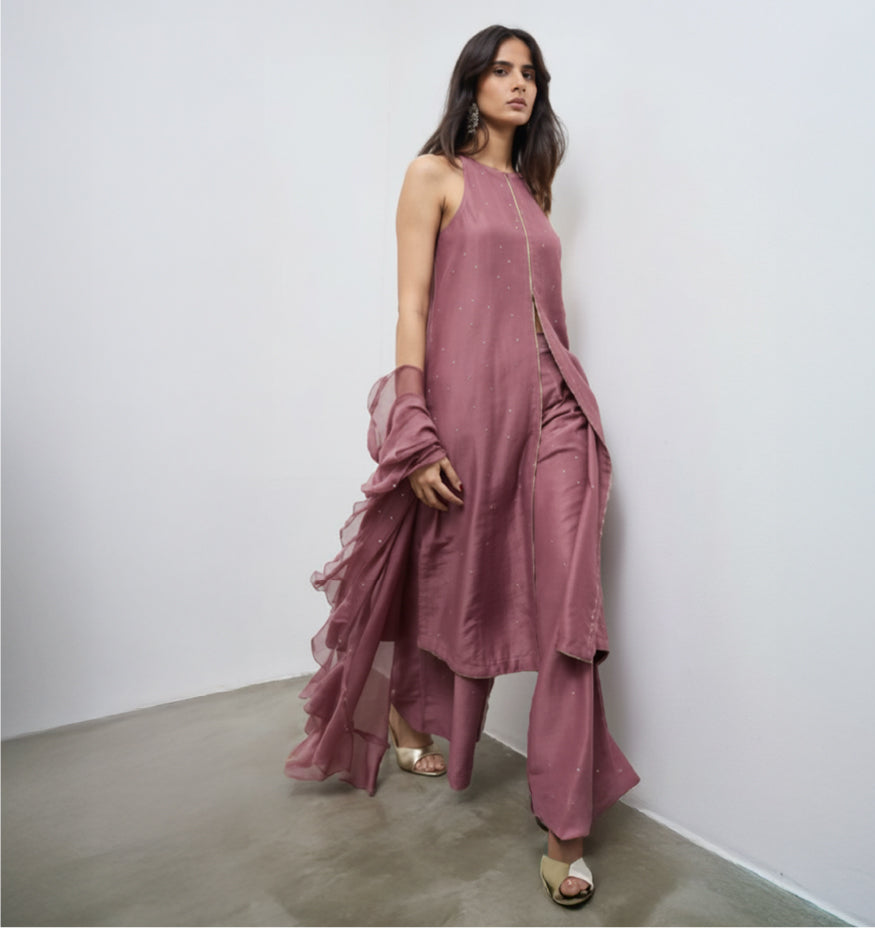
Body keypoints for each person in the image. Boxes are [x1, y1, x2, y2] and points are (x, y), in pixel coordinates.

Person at [285, 24, 639, 906]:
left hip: (557, 411)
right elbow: (412, 308)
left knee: (570, 606)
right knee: (447, 578)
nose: (520, 85)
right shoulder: (432, 176)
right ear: (471, 83)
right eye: (502, 70)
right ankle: (407, 706)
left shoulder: (532, 191)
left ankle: (565, 825)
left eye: (532, 74)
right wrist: (413, 423)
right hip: (472, 414)